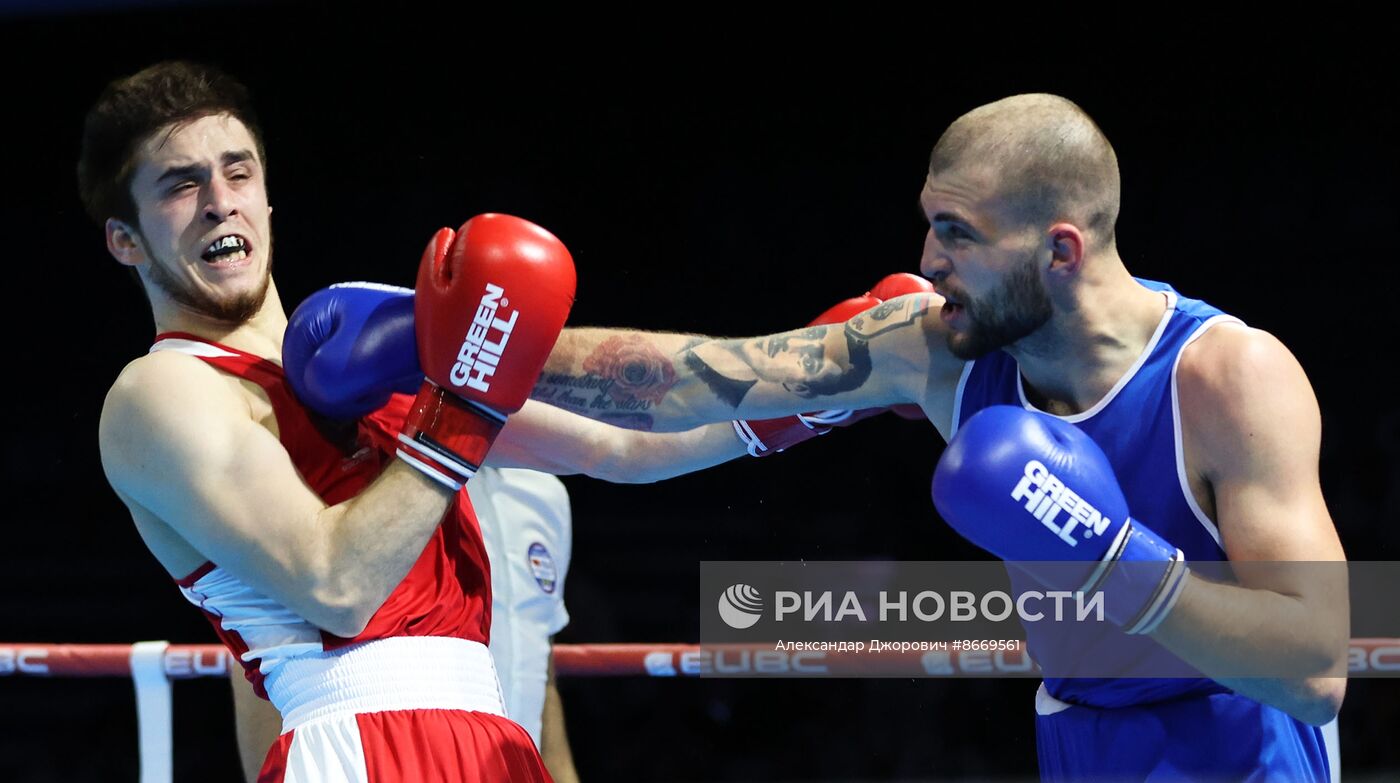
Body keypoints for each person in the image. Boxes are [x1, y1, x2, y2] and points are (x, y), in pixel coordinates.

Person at [525, 94, 1348, 780]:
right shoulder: (933, 352)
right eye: (930, 225)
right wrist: (464, 344)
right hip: (1075, 738)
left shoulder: (1229, 378)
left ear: (1061, 249)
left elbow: (1316, 669)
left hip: (1244, 746)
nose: (928, 259)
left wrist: (1112, 559)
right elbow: (694, 378)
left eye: (959, 234)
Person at [81, 61, 750, 781]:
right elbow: (335, 585)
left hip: (489, 734)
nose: (218, 202)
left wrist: (812, 407)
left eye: (236, 173)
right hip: (355, 739)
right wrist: (469, 399)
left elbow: (622, 443)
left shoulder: (372, 356)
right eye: (182, 185)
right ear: (125, 240)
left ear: (268, 198)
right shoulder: (159, 391)